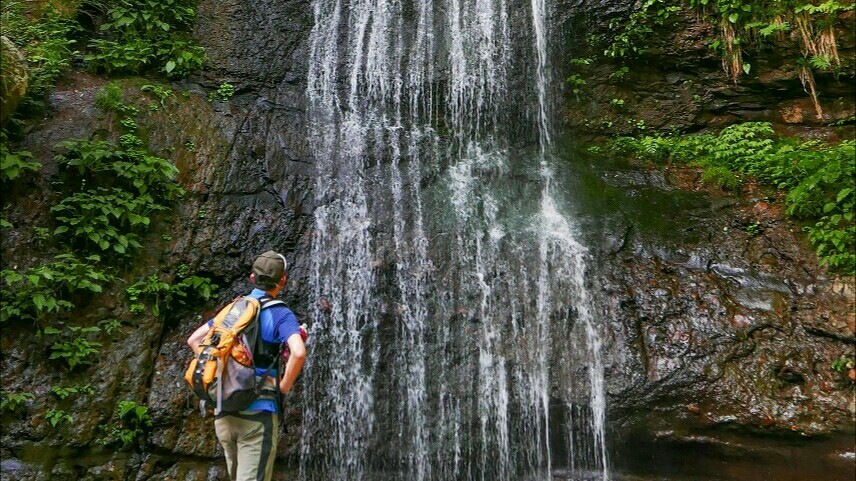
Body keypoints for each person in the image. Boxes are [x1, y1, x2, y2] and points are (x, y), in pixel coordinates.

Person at [186, 250, 306, 481]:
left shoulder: (233, 309)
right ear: (283, 280)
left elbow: (194, 340)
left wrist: (229, 370)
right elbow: (298, 353)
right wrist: (282, 386)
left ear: (252, 278)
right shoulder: (281, 313)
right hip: (257, 414)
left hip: (224, 412)